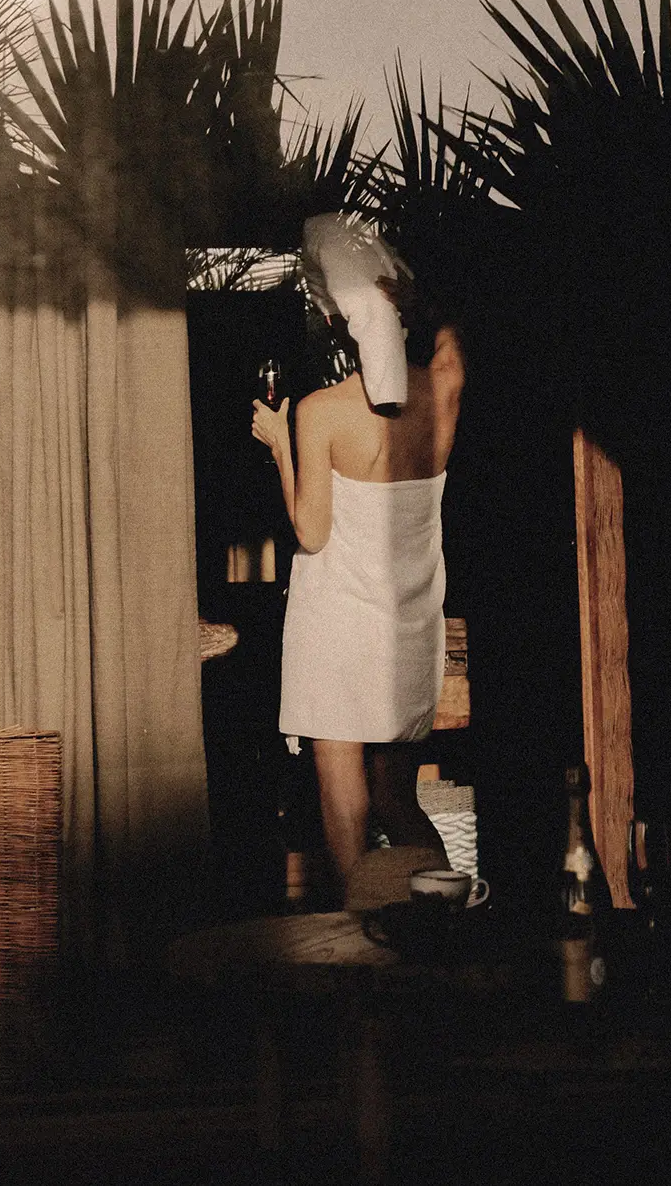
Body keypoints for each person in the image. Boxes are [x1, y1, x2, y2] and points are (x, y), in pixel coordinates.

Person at [251, 256, 465, 905]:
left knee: (343, 800)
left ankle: (358, 939)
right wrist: (416, 295)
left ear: (332, 324)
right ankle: (444, 923)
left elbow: (312, 533)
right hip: (406, 622)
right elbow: (454, 334)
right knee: (398, 796)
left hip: (339, 623)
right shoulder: (445, 389)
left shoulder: (320, 411)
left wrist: (282, 449)